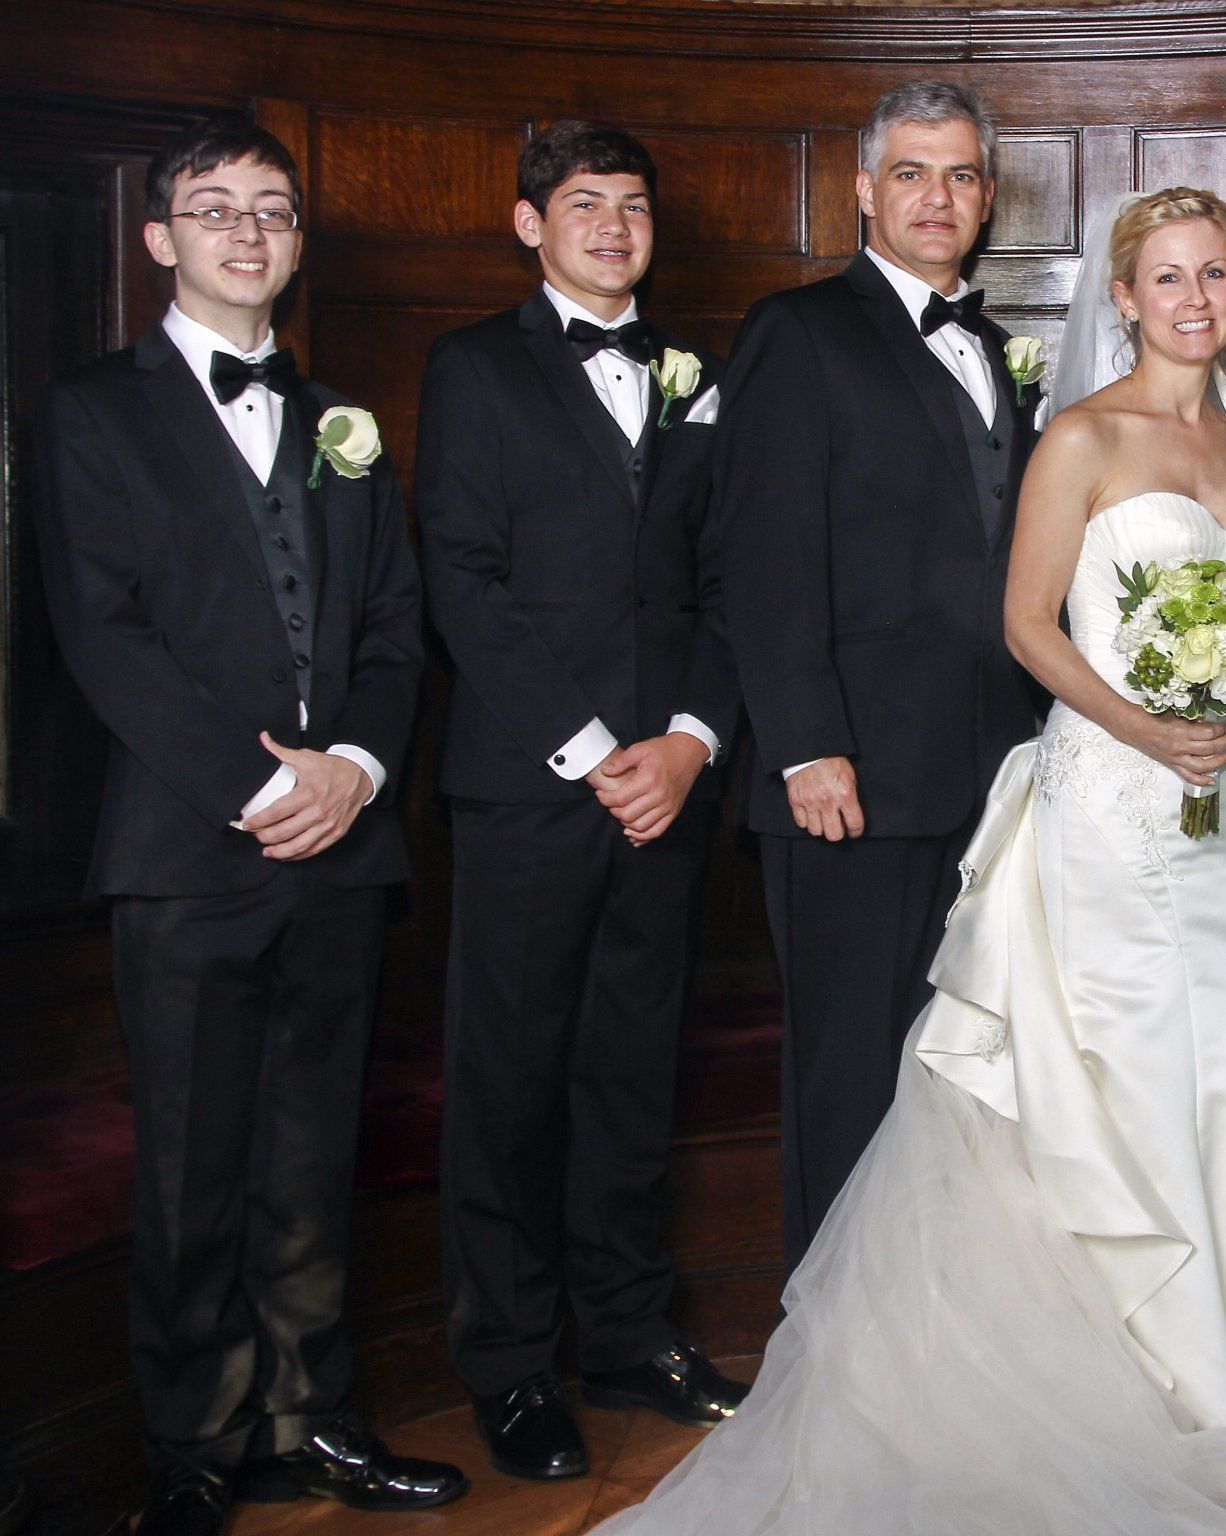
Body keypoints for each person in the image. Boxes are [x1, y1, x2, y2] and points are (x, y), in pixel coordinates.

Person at [585, 188, 1226, 1536]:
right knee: (1118, 1059)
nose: (1196, 300)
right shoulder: (1080, 436)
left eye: (1215, 276)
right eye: (1167, 278)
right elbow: (1028, 626)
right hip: (1111, 793)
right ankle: (1139, 1362)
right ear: (1122, 297)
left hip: (1225, 802)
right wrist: (1149, 728)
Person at [33, 120, 464, 1536]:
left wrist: (354, 769)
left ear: (295, 242)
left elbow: (395, 629)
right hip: (186, 852)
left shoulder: (346, 421)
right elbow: (104, 636)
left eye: (271, 209)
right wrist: (266, 784)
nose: (246, 230)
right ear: (161, 238)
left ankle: (311, 1416)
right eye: (214, 208)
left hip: (345, 849)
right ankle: (194, 1447)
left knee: (312, 1153)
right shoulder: (92, 413)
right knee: (193, 1163)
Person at [414, 120, 744, 1481]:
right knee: (508, 1082)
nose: (613, 226)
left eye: (633, 205)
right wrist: (596, 746)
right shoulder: (473, 368)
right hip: (531, 790)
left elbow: (732, 579)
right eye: (585, 203)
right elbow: (462, 579)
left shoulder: (701, 376)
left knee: (631, 1070)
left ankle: (626, 1332)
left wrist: (689, 742)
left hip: (669, 791)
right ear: (529, 223)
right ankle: (507, 1365)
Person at [715, 81, 1042, 1273]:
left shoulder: (1000, 353)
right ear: (863, 190)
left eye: (959, 175)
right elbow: (761, 557)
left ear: (987, 198)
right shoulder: (796, 332)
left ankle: (930, 1325)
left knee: (954, 1069)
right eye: (911, 172)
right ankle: (832, 1338)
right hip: (847, 779)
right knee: (849, 1074)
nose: (936, 197)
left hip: (990, 776)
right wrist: (807, 745)